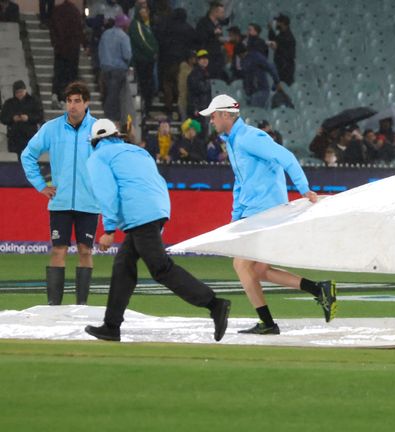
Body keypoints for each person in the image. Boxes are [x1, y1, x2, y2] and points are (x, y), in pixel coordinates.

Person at [83, 119, 231, 342]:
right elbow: (155, 181)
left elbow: (107, 192)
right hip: (157, 209)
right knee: (123, 266)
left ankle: (214, 304)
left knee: (161, 268)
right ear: (117, 135)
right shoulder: (137, 152)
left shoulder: (98, 157)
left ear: (94, 142)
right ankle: (111, 326)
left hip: (139, 214)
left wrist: (109, 228)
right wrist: (158, 216)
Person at [202, 94, 337, 334]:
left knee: (241, 266)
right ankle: (320, 290)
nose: (211, 120)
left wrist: (303, 188)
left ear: (225, 114)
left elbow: (286, 157)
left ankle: (268, 323)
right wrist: (235, 219)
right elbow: (240, 183)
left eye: (213, 115)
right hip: (256, 213)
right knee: (260, 270)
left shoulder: (249, 138)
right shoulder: (234, 141)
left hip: (266, 213)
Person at [20, 82, 99, 306]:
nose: (72, 106)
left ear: (86, 103)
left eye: (77, 101)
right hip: (60, 201)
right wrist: (40, 185)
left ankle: (81, 306)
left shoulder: (97, 129)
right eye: (69, 101)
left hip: (89, 202)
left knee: (85, 251)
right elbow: (28, 155)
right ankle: (54, 307)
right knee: (58, 250)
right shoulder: (51, 128)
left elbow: (111, 161)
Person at [156, 8, 197, 117]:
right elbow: (194, 42)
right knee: (181, 85)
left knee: (168, 83)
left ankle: (169, 107)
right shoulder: (189, 28)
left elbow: (161, 41)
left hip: (168, 60)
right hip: (183, 61)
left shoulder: (167, 27)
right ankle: (179, 109)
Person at [50, 0, 85, 108]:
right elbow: (79, 30)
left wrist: (55, 43)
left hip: (60, 48)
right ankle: (66, 98)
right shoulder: (75, 12)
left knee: (59, 73)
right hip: (72, 50)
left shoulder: (57, 11)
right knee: (70, 76)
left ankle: (56, 95)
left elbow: (52, 28)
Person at [99, 15, 132, 123]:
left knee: (109, 93)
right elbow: (127, 55)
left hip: (105, 68)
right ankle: (112, 119)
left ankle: (111, 117)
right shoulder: (123, 37)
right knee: (114, 96)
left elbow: (100, 51)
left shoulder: (105, 34)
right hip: (118, 69)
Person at [128, 5, 159, 118]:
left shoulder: (146, 25)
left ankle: (147, 108)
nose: (146, 13)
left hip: (149, 61)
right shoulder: (136, 25)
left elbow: (153, 41)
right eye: (144, 10)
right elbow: (142, 41)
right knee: (144, 85)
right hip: (142, 60)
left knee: (149, 86)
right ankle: (144, 109)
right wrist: (152, 51)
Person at [0, 80, 43, 161]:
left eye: (21, 91)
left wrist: (28, 118)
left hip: (29, 135)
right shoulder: (9, 103)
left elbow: (40, 116)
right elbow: (3, 118)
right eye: (17, 92)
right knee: (16, 160)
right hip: (15, 136)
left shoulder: (33, 101)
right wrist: (13, 119)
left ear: (25, 90)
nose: (20, 94)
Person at [196, 1, 228, 81]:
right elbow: (199, 39)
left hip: (217, 56)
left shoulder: (218, 24)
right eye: (221, 12)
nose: (223, 14)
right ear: (215, 12)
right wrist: (212, 33)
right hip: (207, 57)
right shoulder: (203, 23)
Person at [187, 49, 212, 135]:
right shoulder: (195, 74)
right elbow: (197, 91)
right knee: (199, 133)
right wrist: (195, 108)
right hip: (198, 108)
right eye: (202, 58)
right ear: (198, 61)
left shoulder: (206, 73)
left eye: (206, 58)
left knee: (204, 132)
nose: (205, 60)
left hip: (204, 107)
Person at [267, 14, 296, 86]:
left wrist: (277, 48)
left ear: (283, 23)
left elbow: (290, 55)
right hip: (279, 67)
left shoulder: (289, 38)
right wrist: (270, 29)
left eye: (278, 22)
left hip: (285, 70)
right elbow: (274, 40)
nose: (276, 24)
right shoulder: (282, 34)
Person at [177, 50, 197, 121]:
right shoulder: (184, 70)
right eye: (194, 58)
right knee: (186, 123)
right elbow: (182, 87)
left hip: (192, 102)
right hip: (184, 101)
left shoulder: (195, 70)